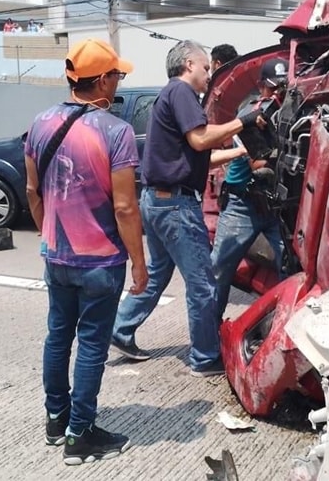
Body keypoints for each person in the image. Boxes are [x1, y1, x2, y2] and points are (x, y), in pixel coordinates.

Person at [25, 38, 148, 465]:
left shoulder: (41, 122)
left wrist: (50, 237)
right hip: (100, 260)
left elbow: (31, 190)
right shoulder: (116, 131)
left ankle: (56, 420)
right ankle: (81, 435)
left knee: (58, 335)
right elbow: (125, 206)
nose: (119, 81)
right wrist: (139, 262)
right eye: (117, 75)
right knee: (92, 344)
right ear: (101, 81)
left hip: (56, 255)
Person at [112, 40, 265, 377]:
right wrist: (246, 121)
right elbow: (199, 140)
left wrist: (241, 153)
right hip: (176, 206)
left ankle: (119, 330)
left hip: (157, 201)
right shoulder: (181, 92)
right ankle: (205, 358)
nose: (209, 74)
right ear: (187, 65)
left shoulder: (170, 96)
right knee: (203, 284)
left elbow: (200, 157)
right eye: (205, 67)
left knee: (157, 276)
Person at [210, 59, 290, 319]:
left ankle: (282, 327)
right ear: (261, 87)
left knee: (291, 268)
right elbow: (258, 164)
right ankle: (208, 339)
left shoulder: (292, 111)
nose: (278, 94)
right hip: (242, 205)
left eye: (283, 88)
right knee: (219, 270)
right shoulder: (251, 114)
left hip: (275, 207)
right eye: (273, 88)